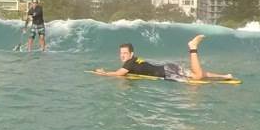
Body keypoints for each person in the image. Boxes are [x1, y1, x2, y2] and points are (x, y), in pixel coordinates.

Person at [92, 34, 234, 82]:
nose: (122, 55)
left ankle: (193, 48)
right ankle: (224, 76)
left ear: (131, 54)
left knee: (196, 78)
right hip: (168, 67)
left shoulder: (130, 63)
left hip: (167, 72)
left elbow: (119, 74)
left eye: (124, 53)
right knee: (197, 74)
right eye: (121, 53)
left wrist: (104, 73)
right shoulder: (134, 61)